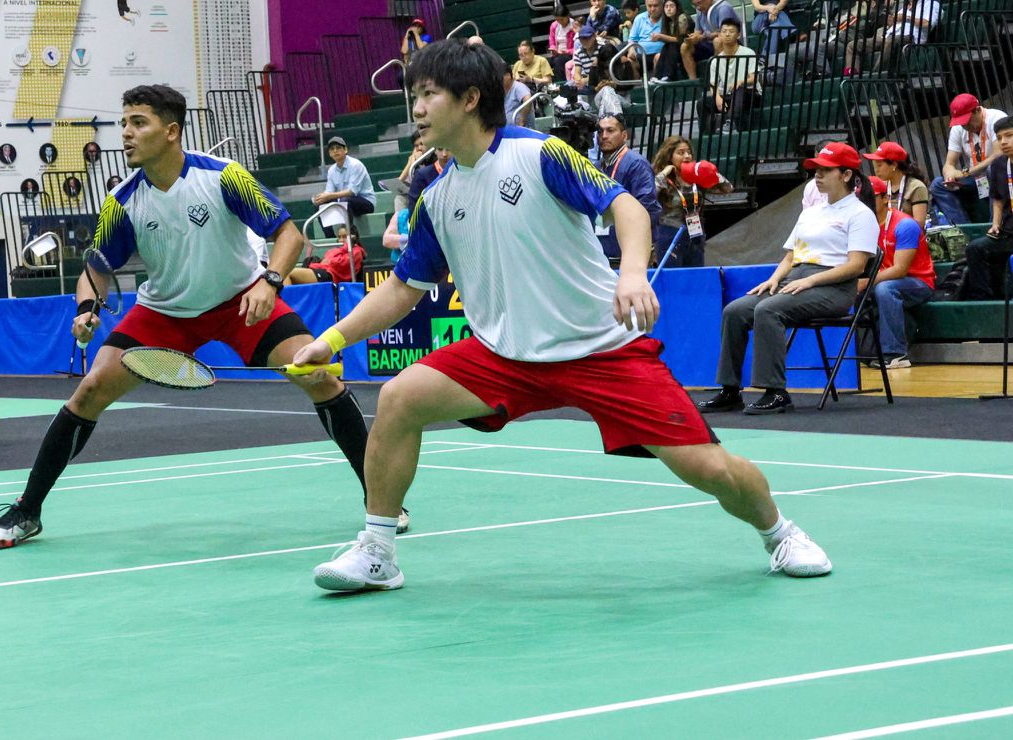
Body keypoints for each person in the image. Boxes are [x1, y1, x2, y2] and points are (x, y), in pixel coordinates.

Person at [295, 38, 832, 592]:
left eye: (429, 94)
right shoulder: (437, 196)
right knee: (399, 398)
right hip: (504, 355)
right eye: (415, 95)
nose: (418, 108)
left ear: (470, 98)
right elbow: (404, 288)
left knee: (709, 469)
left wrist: (630, 274)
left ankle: (780, 532)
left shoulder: (539, 153)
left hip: (600, 348)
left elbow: (624, 205)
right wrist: (330, 341)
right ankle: (379, 551)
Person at [0, 84, 406, 549]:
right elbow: (95, 270)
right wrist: (87, 308)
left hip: (241, 299)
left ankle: (381, 497)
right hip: (165, 311)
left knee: (317, 374)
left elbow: (288, 235)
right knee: (91, 389)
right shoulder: (122, 201)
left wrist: (272, 281)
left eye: (138, 123)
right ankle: (28, 510)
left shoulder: (225, 177)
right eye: (123, 123)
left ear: (171, 131)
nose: (125, 133)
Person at [700, 142, 878, 415]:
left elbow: (855, 267)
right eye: (815, 169)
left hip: (834, 288)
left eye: (824, 170)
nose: (817, 174)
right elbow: (790, 257)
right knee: (735, 311)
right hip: (796, 279)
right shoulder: (810, 212)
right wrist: (773, 280)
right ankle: (730, 390)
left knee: (768, 310)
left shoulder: (861, 214)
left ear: (845, 175)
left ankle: (775, 392)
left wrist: (811, 281)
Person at [864, 176, 934, 369]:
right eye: (861, 198)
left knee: (886, 289)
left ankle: (896, 353)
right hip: (882, 280)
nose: (865, 203)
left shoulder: (905, 224)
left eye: (871, 197)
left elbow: (900, 270)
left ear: (886, 198)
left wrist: (866, 283)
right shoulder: (862, 226)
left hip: (917, 282)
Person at [652, 137, 732, 268]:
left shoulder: (695, 176)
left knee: (695, 276)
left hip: (695, 232)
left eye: (688, 152)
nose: (686, 156)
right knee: (673, 278)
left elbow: (728, 188)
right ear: (670, 157)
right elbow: (649, 194)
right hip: (669, 232)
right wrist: (664, 173)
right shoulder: (663, 179)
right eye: (681, 152)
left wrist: (711, 173)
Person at [931, 93, 1008, 226]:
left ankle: (994, 227)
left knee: (992, 169)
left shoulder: (996, 118)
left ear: (978, 110)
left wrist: (965, 173)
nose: (964, 125)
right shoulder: (958, 128)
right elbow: (949, 164)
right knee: (937, 184)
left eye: (966, 120)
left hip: (998, 174)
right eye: (961, 122)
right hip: (975, 179)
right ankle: (963, 230)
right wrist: (949, 175)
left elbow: (998, 156)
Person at [592, 114, 659, 261]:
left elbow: (647, 207)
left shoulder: (636, 164)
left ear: (624, 135)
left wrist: (636, 249)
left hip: (629, 254)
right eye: (600, 131)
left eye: (610, 130)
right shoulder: (595, 167)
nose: (604, 136)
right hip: (601, 251)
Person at [963, 115, 1013, 300]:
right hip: (1008, 232)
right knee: (975, 248)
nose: (1003, 142)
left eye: (1009, 136)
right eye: (999, 138)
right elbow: (998, 199)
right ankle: (982, 300)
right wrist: (995, 224)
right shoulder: (999, 165)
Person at [703, 18, 759, 133]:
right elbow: (713, 85)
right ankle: (707, 132)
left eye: (731, 31)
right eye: (724, 31)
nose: (727, 34)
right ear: (719, 35)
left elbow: (754, 78)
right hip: (729, 95)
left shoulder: (748, 53)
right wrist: (717, 98)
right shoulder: (715, 60)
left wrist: (741, 81)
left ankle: (730, 123)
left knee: (739, 89)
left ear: (738, 35)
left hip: (750, 94)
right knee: (702, 103)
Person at [312, 135, 375, 229]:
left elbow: (352, 192)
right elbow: (329, 192)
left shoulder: (355, 165)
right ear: (329, 153)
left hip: (365, 202)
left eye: (338, 148)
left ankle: (349, 235)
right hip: (344, 201)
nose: (335, 151)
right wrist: (320, 197)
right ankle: (330, 238)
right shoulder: (331, 170)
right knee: (321, 205)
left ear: (345, 150)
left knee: (345, 200)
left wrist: (328, 196)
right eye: (332, 149)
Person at [862, 141, 929, 229]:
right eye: (875, 166)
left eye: (879, 165)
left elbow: (919, 224)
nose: (876, 170)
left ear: (894, 165)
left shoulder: (916, 187)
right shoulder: (882, 186)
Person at [680, 0, 734, 81]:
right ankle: (693, 81)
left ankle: (721, 79)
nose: (698, 7)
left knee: (718, 41)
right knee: (685, 46)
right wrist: (694, 37)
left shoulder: (723, 8)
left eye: (700, 3)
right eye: (695, 5)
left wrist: (704, 36)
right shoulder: (700, 10)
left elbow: (725, 33)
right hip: (709, 44)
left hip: (730, 43)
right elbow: (698, 30)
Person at [287, 226, 365, 284]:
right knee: (285, 274)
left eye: (344, 237)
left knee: (289, 274)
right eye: (339, 237)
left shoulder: (357, 251)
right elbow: (328, 259)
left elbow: (340, 264)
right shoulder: (337, 250)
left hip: (332, 276)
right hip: (324, 271)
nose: (341, 240)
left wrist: (346, 247)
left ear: (353, 237)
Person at [652, 0, 692, 81]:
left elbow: (681, 39)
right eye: (666, 7)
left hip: (689, 46)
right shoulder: (667, 21)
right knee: (666, 47)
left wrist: (661, 36)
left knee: (672, 45)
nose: (668, 9)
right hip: (675, 47)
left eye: (671, 6)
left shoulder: (682, 18)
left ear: (677, 7)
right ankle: (657, 76)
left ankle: (668, 75)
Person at [624, 0, 664, 74]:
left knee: (658, 57)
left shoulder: (667, 18)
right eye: (649, 6)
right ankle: (638, 86)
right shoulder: (639, 18)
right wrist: (631, 49)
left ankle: (656, 83)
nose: (652, 9)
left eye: (655, 5)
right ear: (646, 5)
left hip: (661, 54)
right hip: (641, 56)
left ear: (662, 5)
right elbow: (632, 40)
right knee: (628, 61)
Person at [546, 4, 575, 80]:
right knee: (544, 63)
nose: (560, 22)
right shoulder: (554, 25)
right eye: (557, 19)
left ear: (567, 16)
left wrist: (566, 51)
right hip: (558, 53)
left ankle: (562, 85)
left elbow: (578, 46)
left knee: (559, 61)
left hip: (571, 54)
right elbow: (551, 39)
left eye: (562, 19)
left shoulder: (575, 26)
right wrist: (553, 48)